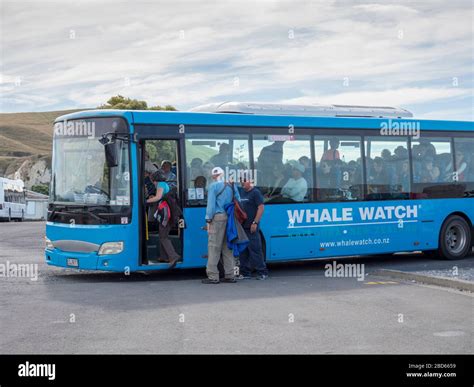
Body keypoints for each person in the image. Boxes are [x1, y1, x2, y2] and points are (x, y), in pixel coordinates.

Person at [203, 167, 240, 284]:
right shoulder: (231, 185)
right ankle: (230, 275)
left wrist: (208, 219)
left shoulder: (213, 186)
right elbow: (238, 200)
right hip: (230, 219)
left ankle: (213, 276)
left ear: (214, 176)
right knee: (227, 247)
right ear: (223, 174)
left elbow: (211, 206)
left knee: (214, 247)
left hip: (218, 218)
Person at [147, 170, 181, 269]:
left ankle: (173, 256)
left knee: (163, 236)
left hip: (166, 213)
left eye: (152, 179)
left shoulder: (160, 184)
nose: (152, 181)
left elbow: (158, 197)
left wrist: (146, 201)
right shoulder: (163, 184)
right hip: (168, 211)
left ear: (154, 179)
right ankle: (164, 257)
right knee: (163, 234)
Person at [238, 177, 268, 280]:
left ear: (251, 181)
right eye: (241, 180)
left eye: (245, 180)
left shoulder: (255, 193)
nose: (242, 183)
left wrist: (255, 222)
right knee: (243, 251)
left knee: (255, 250)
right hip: (242, 227)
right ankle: (245, 273)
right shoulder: (241, 191)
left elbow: (261, 208)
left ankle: (262, 272)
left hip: (251, 227)